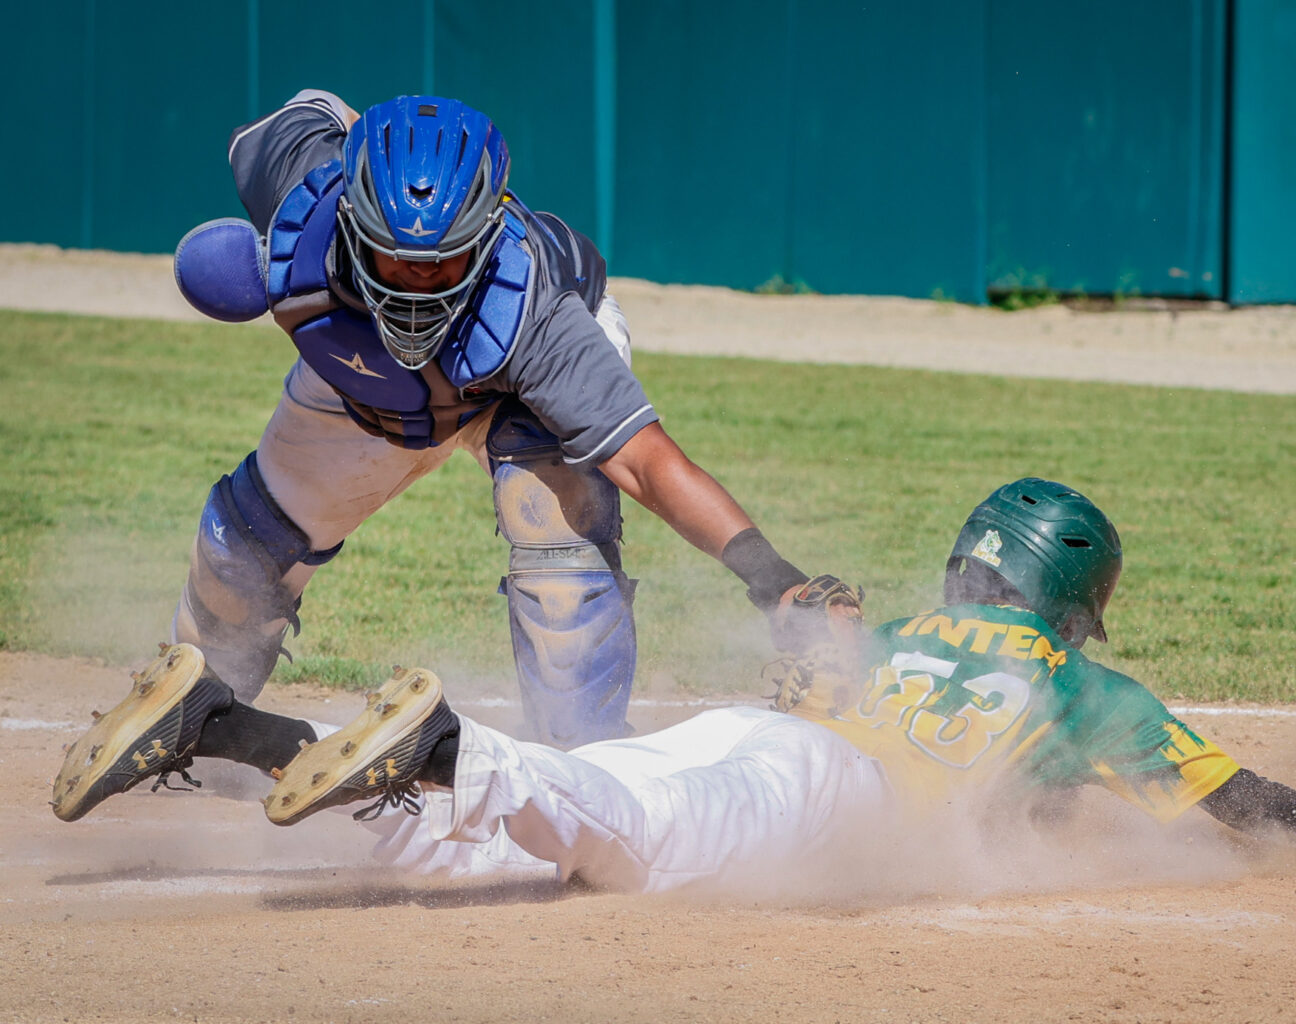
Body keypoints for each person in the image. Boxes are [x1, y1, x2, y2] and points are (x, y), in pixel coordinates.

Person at [52, 477, 1296, 893]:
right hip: (812, 793)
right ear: (1072, 604)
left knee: (514, 852)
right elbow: (1247, 805)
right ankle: (455, 743)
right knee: (612, 841)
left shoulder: (914, 635)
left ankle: (233, 728)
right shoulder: (1088, 695)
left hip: (746, 736)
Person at [166, 90, 834, 749]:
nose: (416, 282)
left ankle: (584, 764)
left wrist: (773, 577)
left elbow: (646, 462)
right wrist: (339, 121)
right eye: (394, 255)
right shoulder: (300, 208)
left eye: (445, 259)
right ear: (349, 216)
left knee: (555, 545)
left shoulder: (529, 309)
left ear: (487, 233)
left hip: (511, 387)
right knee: (241, 552)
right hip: (363, 384)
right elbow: (293, 118)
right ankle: (189, 722)